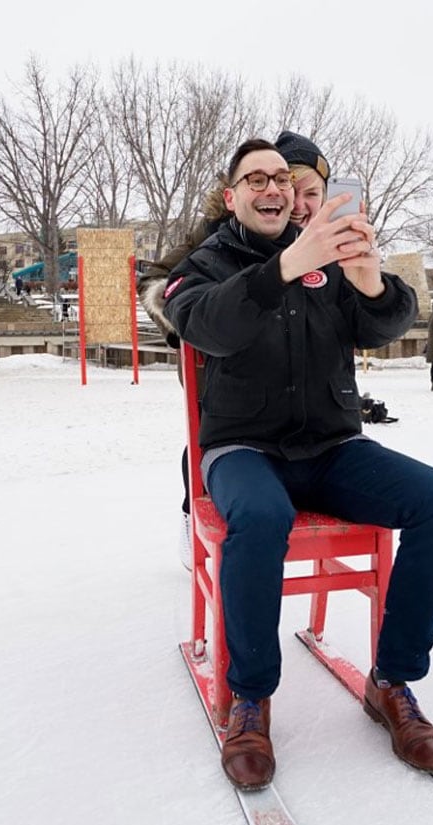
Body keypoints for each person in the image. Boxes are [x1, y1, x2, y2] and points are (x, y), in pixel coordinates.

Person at [161, 138, 433, 791]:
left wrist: (369, 280)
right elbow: (203, 324)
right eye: (256, 179)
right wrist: (285, 266)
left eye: (282, 178)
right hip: (242, 448)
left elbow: (388, 324)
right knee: (263, 517)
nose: (272, 189)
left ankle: (393, 682)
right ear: (232, 196)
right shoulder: (207, 264)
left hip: (330, 448)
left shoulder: (329, 257)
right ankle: (250, 698)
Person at [139, 130, 334, 571]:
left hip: (292, 371)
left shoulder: (320, 239)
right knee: (215, 437)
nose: (300, 204)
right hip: (222, 366)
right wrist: (190, 326)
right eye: (292, 188)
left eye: (312, 193)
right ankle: (198, 514)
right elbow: (159, 283)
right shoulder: (220, 235)